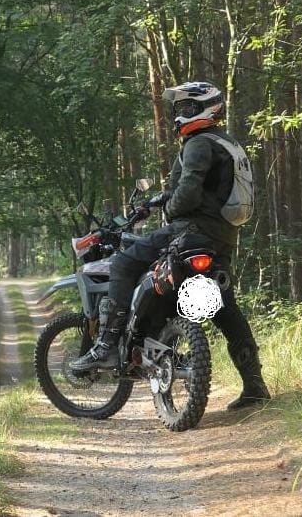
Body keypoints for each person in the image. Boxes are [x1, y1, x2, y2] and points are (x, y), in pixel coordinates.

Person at [70, 81, 270, 409]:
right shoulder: (227, 142)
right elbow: (208, 188)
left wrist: (170, 208)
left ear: (209, 108)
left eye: (188, 107)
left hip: (190, 231)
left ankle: (105, 346)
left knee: (123, 263)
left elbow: (188, 194)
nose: (180, 114)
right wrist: (161, 198)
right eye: (179, 108)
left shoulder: (198, 143)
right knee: (224, 308)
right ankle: (255, 386)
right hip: (222, 238)